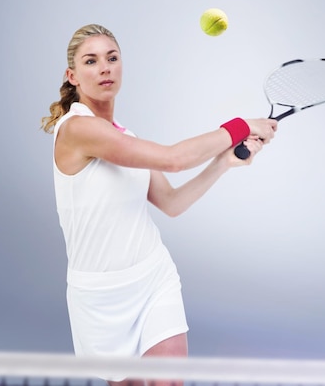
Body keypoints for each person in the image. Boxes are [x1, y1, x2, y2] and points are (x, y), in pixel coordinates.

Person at [40, 24, 277, 386]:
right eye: (91, 61)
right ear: (72, 76)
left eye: (112, 58)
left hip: (153, 277)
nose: (104, 67)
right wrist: (241, 125)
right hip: (100, 297)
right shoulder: (76, 129)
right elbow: (174, 159)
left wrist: (222, 164)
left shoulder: (127, 138)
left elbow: (171, 202)